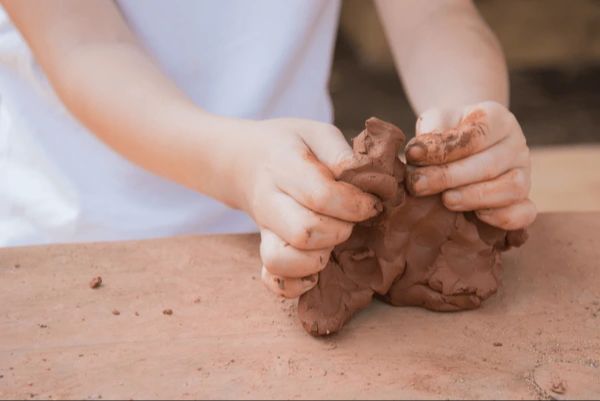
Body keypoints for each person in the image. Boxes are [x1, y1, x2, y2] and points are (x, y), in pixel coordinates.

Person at [0, 0, 536, 298]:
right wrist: (236, 165)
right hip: (79, 235)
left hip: (303, 221)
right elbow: (83, 46)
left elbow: (434, 16)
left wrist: (470, 122)